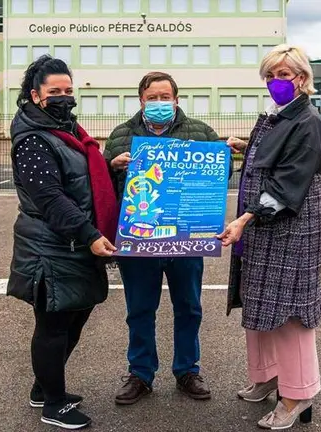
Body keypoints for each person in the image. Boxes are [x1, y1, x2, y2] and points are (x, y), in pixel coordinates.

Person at [218, 44, 321, 430]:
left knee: (290, 315)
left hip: (288, 228)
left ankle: (297, 394)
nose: (276, 82)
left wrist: (245, 219)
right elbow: (275, 155)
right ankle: (267, 375)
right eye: (270, 75)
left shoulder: (309, 121)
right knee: (260, 304)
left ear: (302, 78)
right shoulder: (278, 116)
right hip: (262, 230)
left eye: (284, 74)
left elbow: (288, 183)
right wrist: (246, 147)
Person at [6, 55, 118, 430]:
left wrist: (108, 166)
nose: (64, 97)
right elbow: (51, 198)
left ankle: (44, 387)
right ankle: (54, 404)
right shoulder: (33, 140)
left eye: (69, 91)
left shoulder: (66, 129)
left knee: (76, 318)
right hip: (51, 247)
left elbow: (79, 177)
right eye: (55, 92)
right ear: (35, 95)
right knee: (53, 326)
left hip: (73, 245)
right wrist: (90, 235)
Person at [103, 71, 222, 405]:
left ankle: (187, 370)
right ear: (141, 100)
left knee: (189, 308)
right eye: (152, 97)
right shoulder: (121, 135)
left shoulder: (200, 132)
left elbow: (218, 174)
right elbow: (102, 187)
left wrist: (224, 156)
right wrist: (113, 166)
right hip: (139, 241)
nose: (159, 103)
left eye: (164, 97)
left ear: (176, 99)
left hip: (186, 240)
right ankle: (140, 373)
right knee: (140, 310)